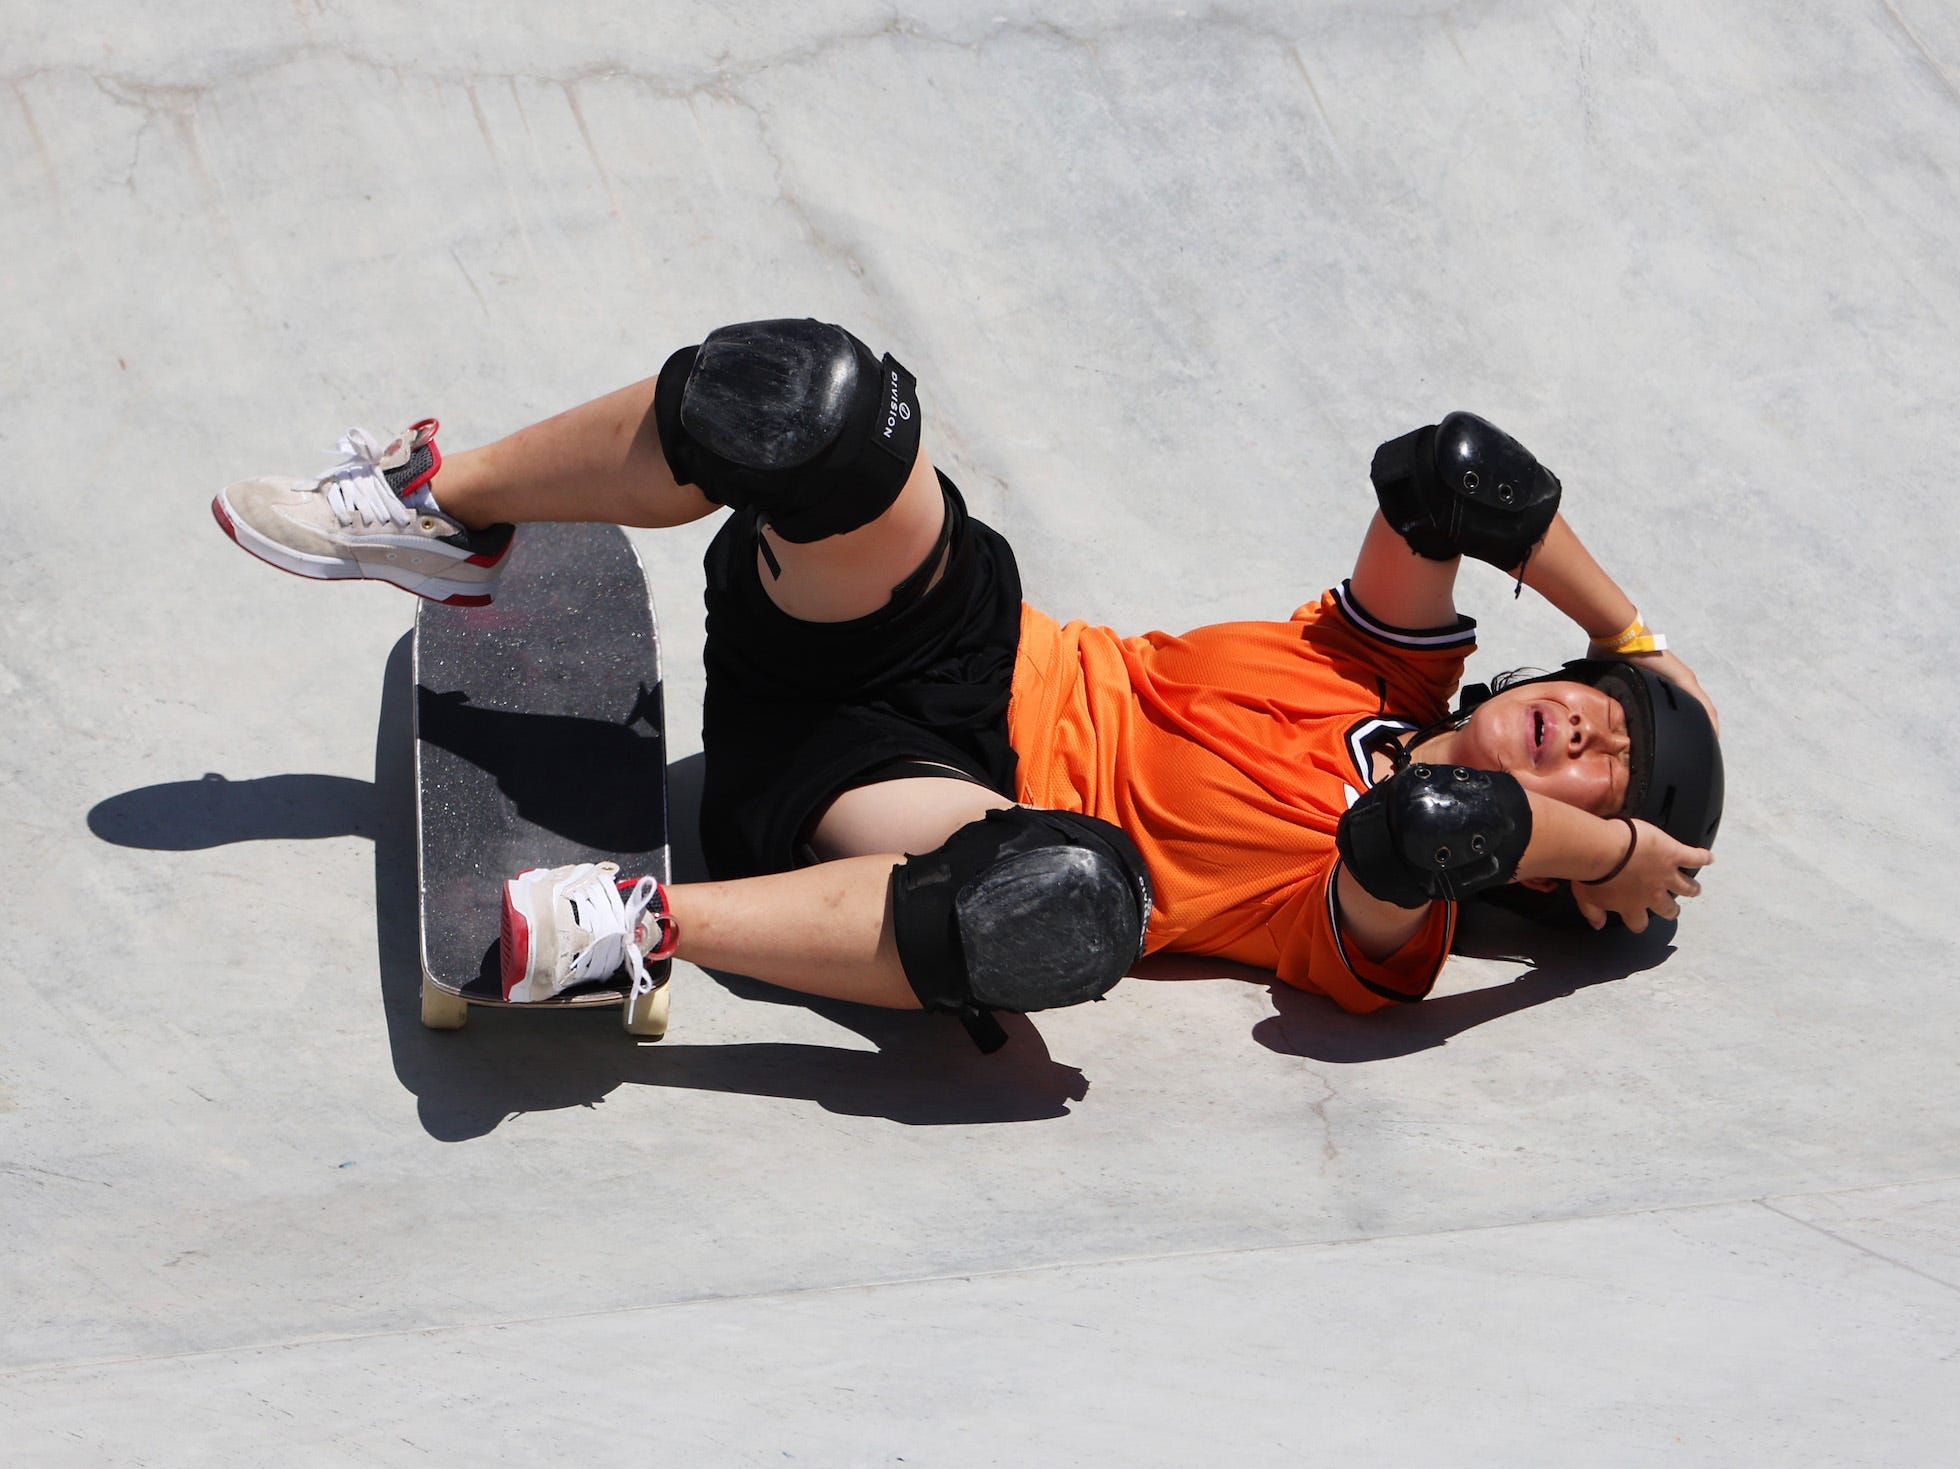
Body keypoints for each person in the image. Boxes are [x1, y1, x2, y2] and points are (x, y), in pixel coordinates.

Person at [211, 318, 1722, 1050]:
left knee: (1063, 900)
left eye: (1614, 761)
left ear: (1573, 867)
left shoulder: (1404, 934)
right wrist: (1642, 645)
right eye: (1596, 697)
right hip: (926, 647)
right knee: (827, 407)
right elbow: (1449, 477)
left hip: (895, 813)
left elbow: (1420, 836)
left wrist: (1607, 855)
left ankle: (628, 930)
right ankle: (447, 509)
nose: (1592, 724)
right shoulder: (1388, 659)